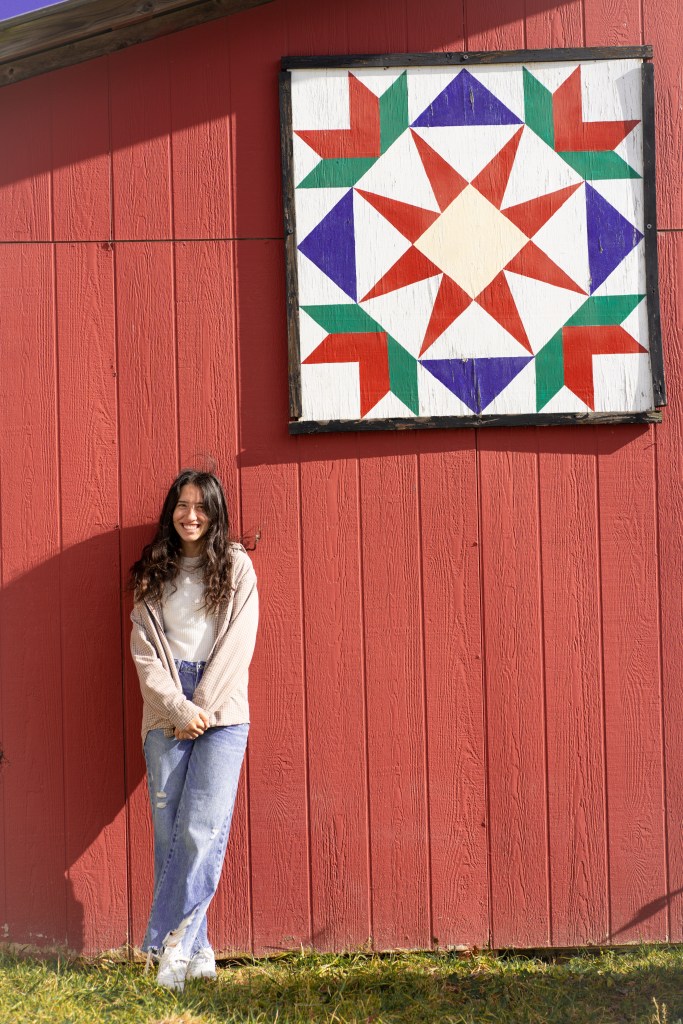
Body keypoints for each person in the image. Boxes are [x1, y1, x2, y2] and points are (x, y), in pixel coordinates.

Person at [129, 469, 258, 991]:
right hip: (166, 711)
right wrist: (178, 709)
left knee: (202, 829)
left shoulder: (237, 566)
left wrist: (199, 707)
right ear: (171, 512)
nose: (191, 515)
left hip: (222, 711)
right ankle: (199, 947)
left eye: (201, 506)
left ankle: (171, 949)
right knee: (171, 836)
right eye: (182, 505)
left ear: (215, 513)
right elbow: (144, 653)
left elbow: (239, 644)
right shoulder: (152, 572)